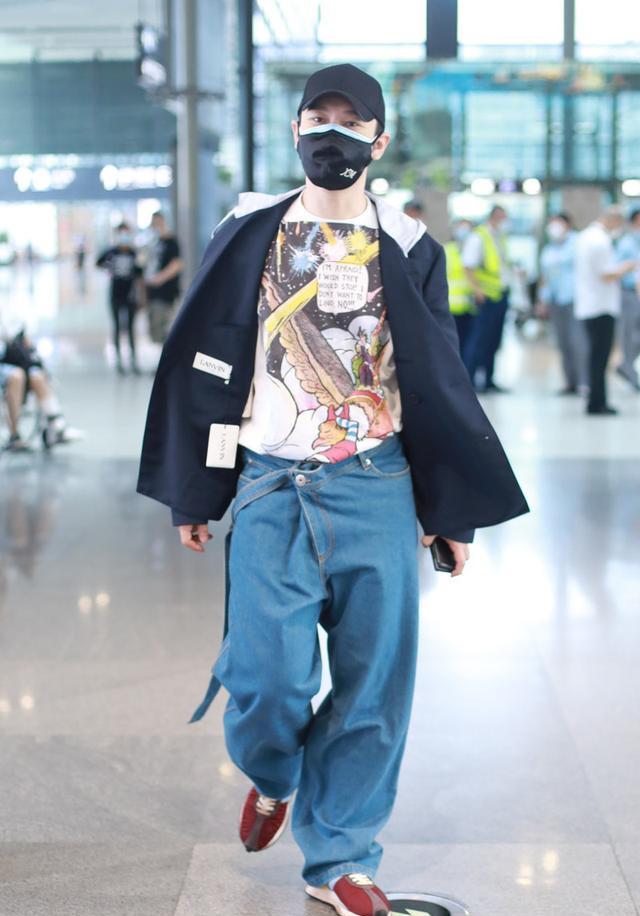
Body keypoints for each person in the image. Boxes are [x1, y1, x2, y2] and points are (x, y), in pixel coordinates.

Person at [137, 63, 528, 916]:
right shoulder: (250, 226)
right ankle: (274, 773)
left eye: (353, 122)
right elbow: (202, 355)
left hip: (376, 483)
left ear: (379, 142)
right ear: (295, 129)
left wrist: (449, 514)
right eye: (320, 116)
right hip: (272, 483)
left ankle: (340, 859)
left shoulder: (410, 243)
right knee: (266, 681)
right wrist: (194, 491)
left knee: (371, 688)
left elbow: (438, 381)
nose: (333, 134)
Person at [575, 206, 637, 415]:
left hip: (591, 304)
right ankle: (597, 403)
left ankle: (597, 400)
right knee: (600, 358)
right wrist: (627, 267)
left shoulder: (586, 236)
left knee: (596, 357)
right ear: (613, 220)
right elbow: (606, 275)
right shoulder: (599, 240)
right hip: (600, 307)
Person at [1, 330, 82, 449]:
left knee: (37, 376)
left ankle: (56, 425)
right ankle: (14, 435)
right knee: (17, 376)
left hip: (13, 358)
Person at [462, 204, 511, 392]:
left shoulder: (499, 237)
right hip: (485, 297)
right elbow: (468, 266)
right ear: (493, 217)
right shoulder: (479, 237)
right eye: (502, 217)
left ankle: (489, 379)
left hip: (500, 294)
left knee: (493, 340)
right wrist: (477, 291)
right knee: (479, 339)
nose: (504, 221)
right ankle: (471, 379)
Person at [538, 212, 588, 395]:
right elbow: (545, 276)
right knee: (563, 342)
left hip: (575, 299)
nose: (554, 228)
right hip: (556, 300)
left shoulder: (579, 243)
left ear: (568, 225)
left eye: (558, 223)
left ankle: (584, 381)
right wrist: (542, 300)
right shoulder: (549, 249)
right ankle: (570, 382)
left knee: (578, 341)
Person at [96, 222, 143, 375]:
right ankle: (118, 361)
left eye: (126, 233)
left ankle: (133, 361)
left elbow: (140, 274)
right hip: (115, 295)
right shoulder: (112, 252)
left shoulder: (134, 253)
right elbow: (98, 262)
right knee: (117, 327)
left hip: (131, 295)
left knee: (130, 328)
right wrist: (109, 267)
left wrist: (142, 296)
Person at [144, 211, 183, 345]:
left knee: (162, 325)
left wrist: (159, 279)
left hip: (166, 291)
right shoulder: (152, 242)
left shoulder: (171, 241)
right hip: (152, 291)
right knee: (154, 329)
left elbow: (177, 264)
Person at [614, 208, 640, 391]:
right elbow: (616, 270)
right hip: (630, 293)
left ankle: (626, 366)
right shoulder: (626, 244)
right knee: (630, 334)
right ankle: (629, 369)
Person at [444, 219, 476, 360]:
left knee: (468, 345)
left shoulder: (474, 250)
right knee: (451, 346)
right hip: (451, 307)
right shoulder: (447, 250)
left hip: (470, 306)